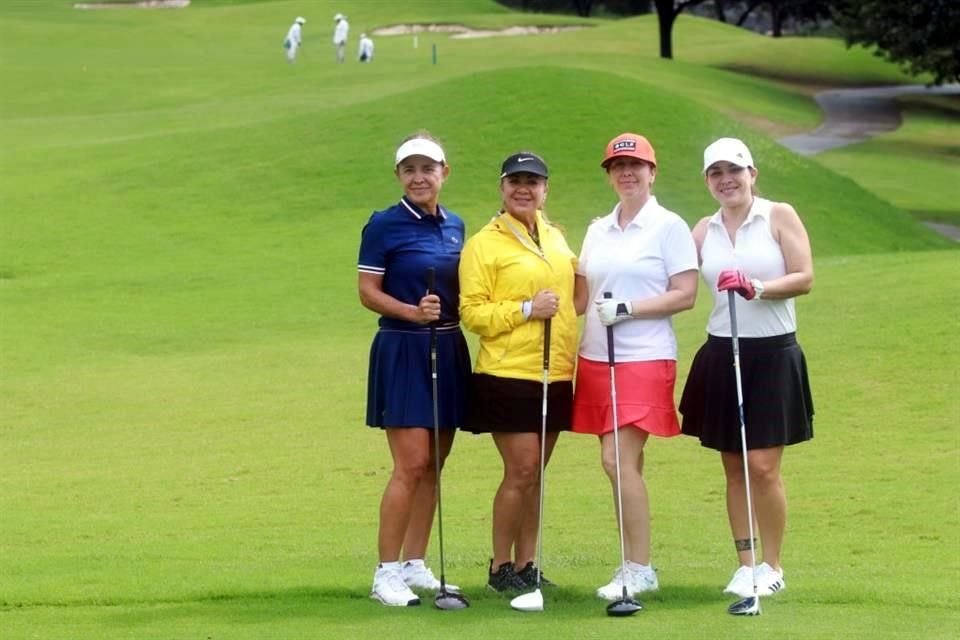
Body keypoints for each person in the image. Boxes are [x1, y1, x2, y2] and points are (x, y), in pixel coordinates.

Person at [679, 137, 814, 600]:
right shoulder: (704, 229)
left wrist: (758, 286)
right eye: (716, 173)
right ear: (707, 181)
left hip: (772, 353)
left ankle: (772, 564)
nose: (726, 180)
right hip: (722, 351)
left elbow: (804, 276)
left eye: (734, 170)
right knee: (734, 467)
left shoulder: (779, 215)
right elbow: (672, 275)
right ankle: (745, 563)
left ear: (752, 173)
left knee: (763, 467)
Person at [571, 133, 699, 601]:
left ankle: (639, 568)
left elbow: (685, 294)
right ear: (609, 174)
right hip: (594, 357)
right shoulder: (597, 229)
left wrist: (629, 308)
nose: (627, 173)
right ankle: (632, 560)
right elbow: (581, 294)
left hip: (644, 356)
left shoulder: (669, 226)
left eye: (636, 165)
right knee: (626, 466)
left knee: (615, 460)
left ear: (652, 171)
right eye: (617, 166)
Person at [357, 133, 471, 607]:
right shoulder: (384, 225)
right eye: (410, 170)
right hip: (403, 348)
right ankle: (385, 573)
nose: (419, 177)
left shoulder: (457, 225)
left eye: (428, 169)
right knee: (412, 464)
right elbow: (367, 291)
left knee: (436, 465)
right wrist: (410, 311)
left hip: (447, 347)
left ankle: (414, 563)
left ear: (445, 172)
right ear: (399, 176)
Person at [459, 152, 578, 593]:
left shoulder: (556, 236)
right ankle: (499, 566)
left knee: (536, 474)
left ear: (546, 189)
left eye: (533, 181)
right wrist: (527, 309)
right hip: (507, 373)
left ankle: (528, 564)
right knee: (522, 469)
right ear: (502, 187)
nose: (523, 189)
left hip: (556, 370)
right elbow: (472, 313)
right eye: (515, 181)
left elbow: (574, 291)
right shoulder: (483, 244)